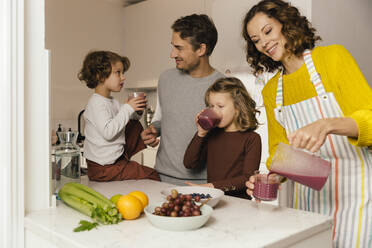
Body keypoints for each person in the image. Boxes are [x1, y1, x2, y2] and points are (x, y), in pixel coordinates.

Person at [242, 0, 372, 247]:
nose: (264, 43)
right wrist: (273, 177)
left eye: (268, 31)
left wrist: (327, 125)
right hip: (308, 203)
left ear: (286, 24)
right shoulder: (272, 90)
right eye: (256, 40)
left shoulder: (333, 58)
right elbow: (278, 153)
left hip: (358, 197)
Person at [141, 14, 224, 185]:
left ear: (201, 49)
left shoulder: (224, 86)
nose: (172, 54)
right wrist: (154, 130)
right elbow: (166, 119)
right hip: (162, 178)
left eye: (179, 48)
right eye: (173, 47)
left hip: (204, 183)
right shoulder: (166, 79)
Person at [78, 50, 160, 182]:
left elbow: (129, 120)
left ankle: (125, 160)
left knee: (132, 122)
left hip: (113, 163)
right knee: (152, 175)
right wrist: (128, 108)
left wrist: (136, 110)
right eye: (118, 73)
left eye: (123, 73)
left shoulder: (112, 101)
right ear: (100, 76)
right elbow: (108, 132)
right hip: (103, 168)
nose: (123, 77)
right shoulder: (96, 103)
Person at [183, 77, 261, 199]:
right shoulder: (211, 134)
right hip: (214, 200)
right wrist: (201, 134)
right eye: (211, 106)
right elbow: (189, 163)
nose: (214, 111)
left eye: (220, 106)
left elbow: (247, 178)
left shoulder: (252, 139)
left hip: (239, 203)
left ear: (237, 108)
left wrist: (211, 187)